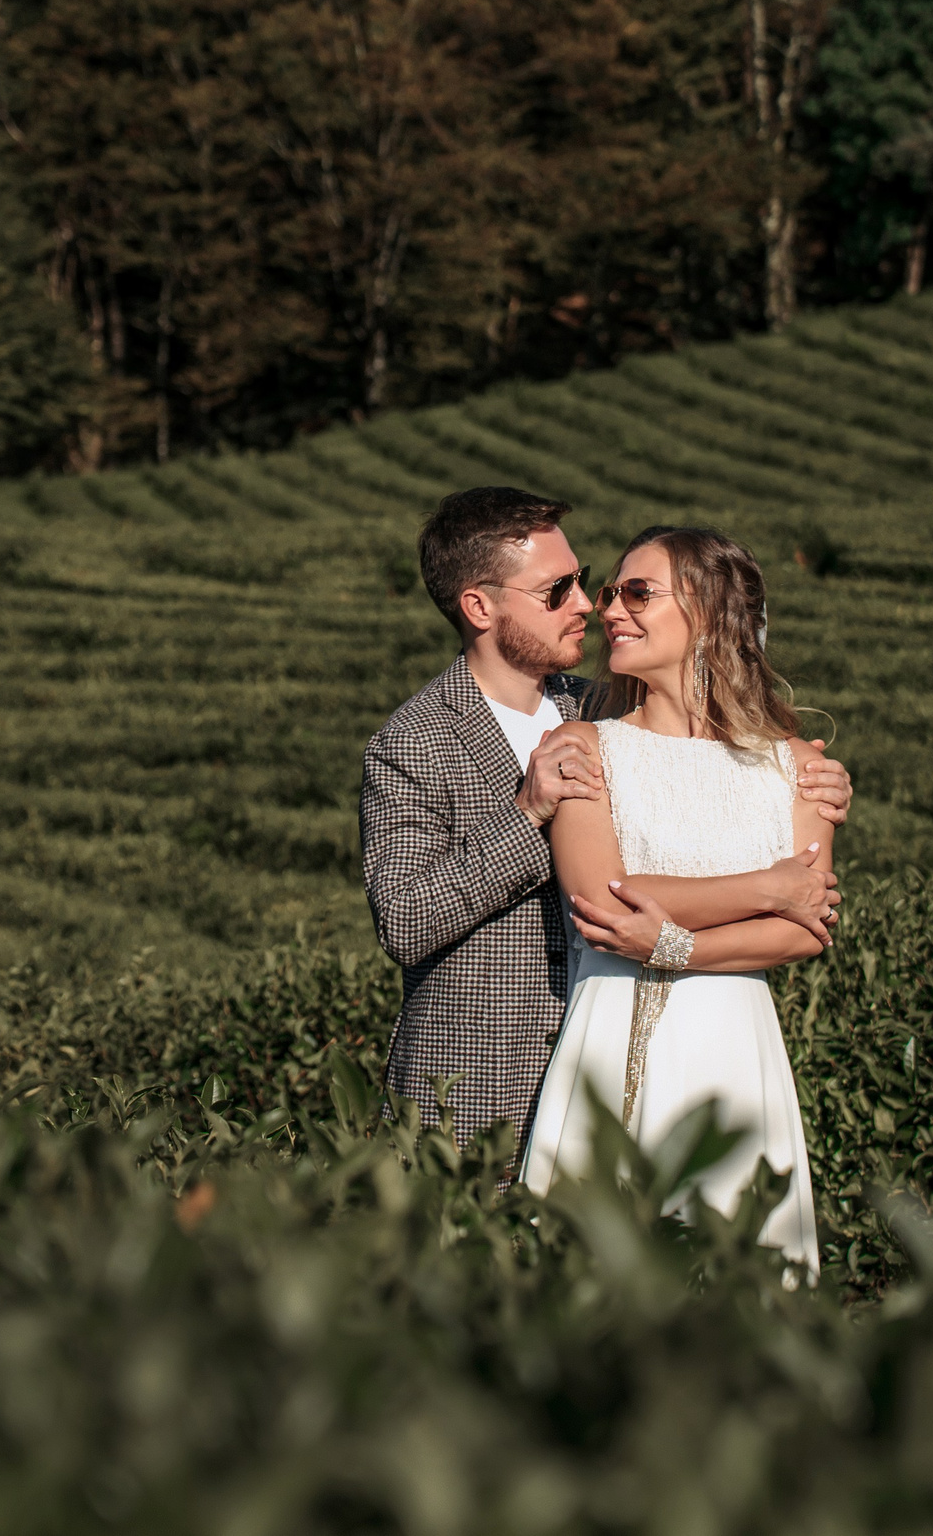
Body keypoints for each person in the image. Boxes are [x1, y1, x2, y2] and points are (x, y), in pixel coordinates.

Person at [360, 489, 851, 1163]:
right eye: (557, 589)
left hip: (632, 1050)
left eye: (584, 580)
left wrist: (811, 781)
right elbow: (406, 919)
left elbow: (704, 756)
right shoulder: (415, 741)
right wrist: (526, 813)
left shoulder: (603, 710)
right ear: (480, 606)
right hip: (481, 1090)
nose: (587, 604)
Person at [517, 525, 836, 1278]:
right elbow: (605, 899)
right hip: (610, 1029)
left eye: (637, 592)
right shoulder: (584, 747)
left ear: (709, 610)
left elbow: (806, 931)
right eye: (609, 593)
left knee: (740, 1283)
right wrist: (767, 888)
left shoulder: (801, 766)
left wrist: (676, 943)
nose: (609, 611)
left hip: (735, 1044)